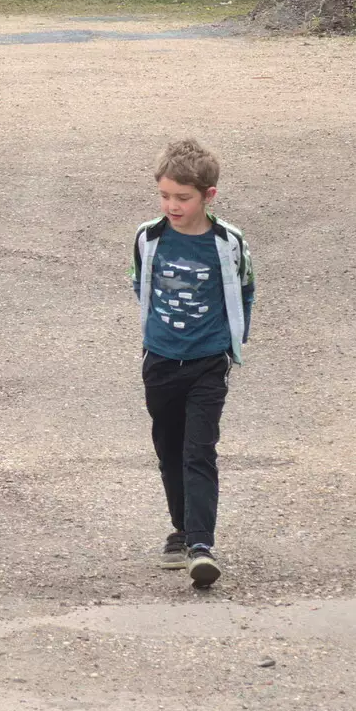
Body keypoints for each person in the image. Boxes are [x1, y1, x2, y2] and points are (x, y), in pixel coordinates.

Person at [130, 138, 255, 588]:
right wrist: (158, 337)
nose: (172, 205)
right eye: (165, 196)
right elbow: (140, 284)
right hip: (161, 360)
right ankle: (181, 530)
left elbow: (243, 291)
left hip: (208, 362)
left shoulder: (228, 242)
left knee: (199, 450)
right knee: (168, 448)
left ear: (209, 196)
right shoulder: (149, 237)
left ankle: (202, 546)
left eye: (182, 198)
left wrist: (229, 344)